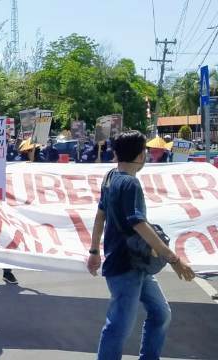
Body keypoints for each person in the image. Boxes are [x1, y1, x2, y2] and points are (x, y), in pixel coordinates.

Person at [88, 130, 195, 360]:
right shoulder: (129, 184)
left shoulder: (110, 177)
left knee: (161, 313)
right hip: (125, 266)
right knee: (118, 327)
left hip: (138, 264)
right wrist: (173, 259)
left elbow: (100, 216)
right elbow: (139, 224)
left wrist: (94, 251)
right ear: (140, 155)